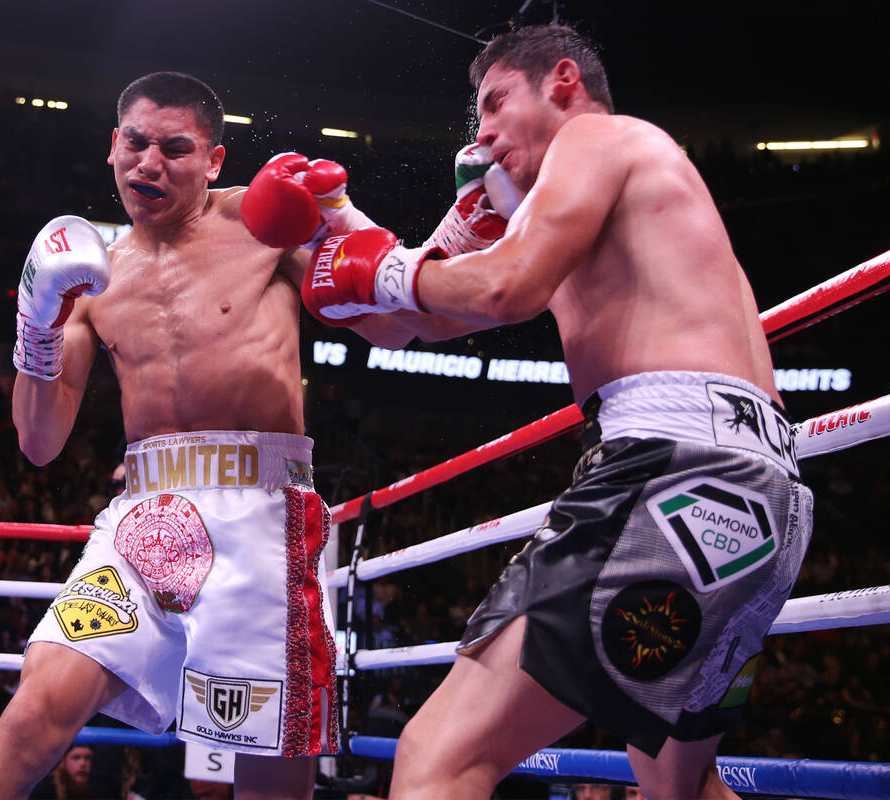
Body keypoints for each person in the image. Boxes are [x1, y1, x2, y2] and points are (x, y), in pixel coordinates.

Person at [298, 23, 814, 800]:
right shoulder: (567, 206)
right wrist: (327, 241)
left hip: (668, 473)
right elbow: (414, 317)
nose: (484, 133)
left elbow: (504, 288)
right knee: (681, 786)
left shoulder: (596, 140)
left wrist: (390, 269)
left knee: (437, 760)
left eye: (496, 103)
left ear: (563, 82)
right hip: (763, 500)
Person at [0, 70, 419, 800]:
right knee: (37, 707)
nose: (150, 162)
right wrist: (34, 330)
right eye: (135, 142)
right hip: (143, 518)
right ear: (112, 147)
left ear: (214, 160)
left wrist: (342, 219)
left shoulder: (263, 226)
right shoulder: (90, 271)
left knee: (263, 774)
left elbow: (395, 326)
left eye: (175, 147)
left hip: (260, 516)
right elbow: (39, 442)